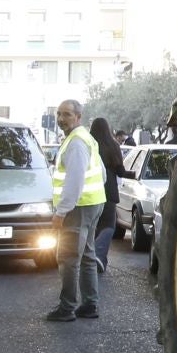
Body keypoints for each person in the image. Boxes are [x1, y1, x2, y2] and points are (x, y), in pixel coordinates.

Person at [44, 98, 107, 322]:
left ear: (78, 117)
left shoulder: (76, 143)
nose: (61, 119)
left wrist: (61, 212)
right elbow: (102, 174)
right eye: (59, 114)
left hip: (78, 208)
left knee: (69, 257)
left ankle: (67, 308)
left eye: (67, 114)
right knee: (87, 255)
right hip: (93, 203)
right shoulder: (84, 138)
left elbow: (74, 181)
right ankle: (90, 304)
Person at [88, 117, 127, 275]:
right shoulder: (113, 145)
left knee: (92, 225)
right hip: (109, 191)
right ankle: (99, 255)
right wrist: (131, 174)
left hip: (90, 190)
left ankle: (91, 257)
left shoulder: (88, 144)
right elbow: (120, 171)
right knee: (108, 225)